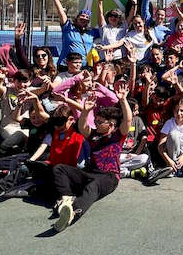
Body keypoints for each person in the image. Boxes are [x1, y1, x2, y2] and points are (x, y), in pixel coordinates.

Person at [51, 81, 132, 232]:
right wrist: (86, 111)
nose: (96, 123)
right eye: (96, 120)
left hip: (109, 177)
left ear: (111, 125)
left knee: (92, 186)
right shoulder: (93, 135)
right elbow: (82, 127)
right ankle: (66, 199)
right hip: (89, 172)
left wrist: (123, 100)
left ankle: (72, 213)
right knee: (60, 169)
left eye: (100, 122)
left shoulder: (117, 136)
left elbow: (127, 120)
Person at [51, 0, 100, 67]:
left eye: (87, 17)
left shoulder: (92, 32)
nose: (84, 18)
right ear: (77, 18)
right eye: (82, 16)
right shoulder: (68, 28)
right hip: (66, 66)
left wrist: (100, 2)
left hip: (84, 66)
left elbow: (103, 25)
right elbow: (61, 13)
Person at [157, 98, 183, 177]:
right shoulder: (169, 123)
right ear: (173, 112)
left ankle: (177, 168)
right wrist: (168, 160)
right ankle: (171, 167)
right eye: (176, 111)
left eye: (182, 110)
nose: (179, 113)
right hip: (172, 152)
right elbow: (160, 145)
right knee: (173, 134)